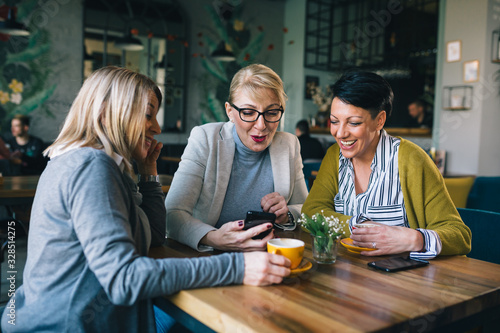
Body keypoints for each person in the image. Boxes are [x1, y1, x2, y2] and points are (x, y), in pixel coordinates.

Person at [0, 66, 291, 332]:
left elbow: (153, 236)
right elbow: (124, 279)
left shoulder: (100, 163)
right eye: (148, 114)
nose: (156, 127)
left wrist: (148, 171)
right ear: (108, 111)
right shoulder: (91, 167)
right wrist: (238, 268)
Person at [302, 71, 471, 259]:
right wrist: (357, 227)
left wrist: (416, 238)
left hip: (403, 278)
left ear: (379, 120)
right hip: (347, 274)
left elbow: (460, 236)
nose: (340, 133)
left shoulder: (411, 159)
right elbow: (311, 212)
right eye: (334, 121)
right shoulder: (335, 156)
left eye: (354, 123)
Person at [166, 64, 308, 252]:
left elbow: (306, 209)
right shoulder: (205, 139)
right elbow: (172, 214)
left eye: (272, 112)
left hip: (266, 256)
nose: (261, 125)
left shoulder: (288, 144)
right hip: (208, 258)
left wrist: (288, 214)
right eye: (248, 112)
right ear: (230, 112)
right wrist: (214, 238)